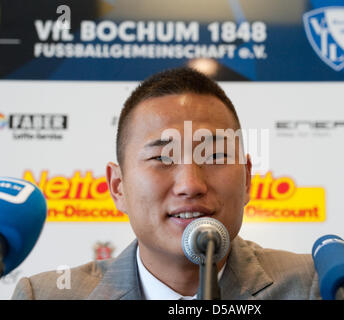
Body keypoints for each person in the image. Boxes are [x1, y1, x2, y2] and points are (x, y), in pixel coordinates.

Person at [11, 67, 320, 300]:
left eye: (214, 155)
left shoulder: (314, 287)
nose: (190, 184)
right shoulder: (44, 295)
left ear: (248, 178)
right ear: (118, 186)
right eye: (163, 157)